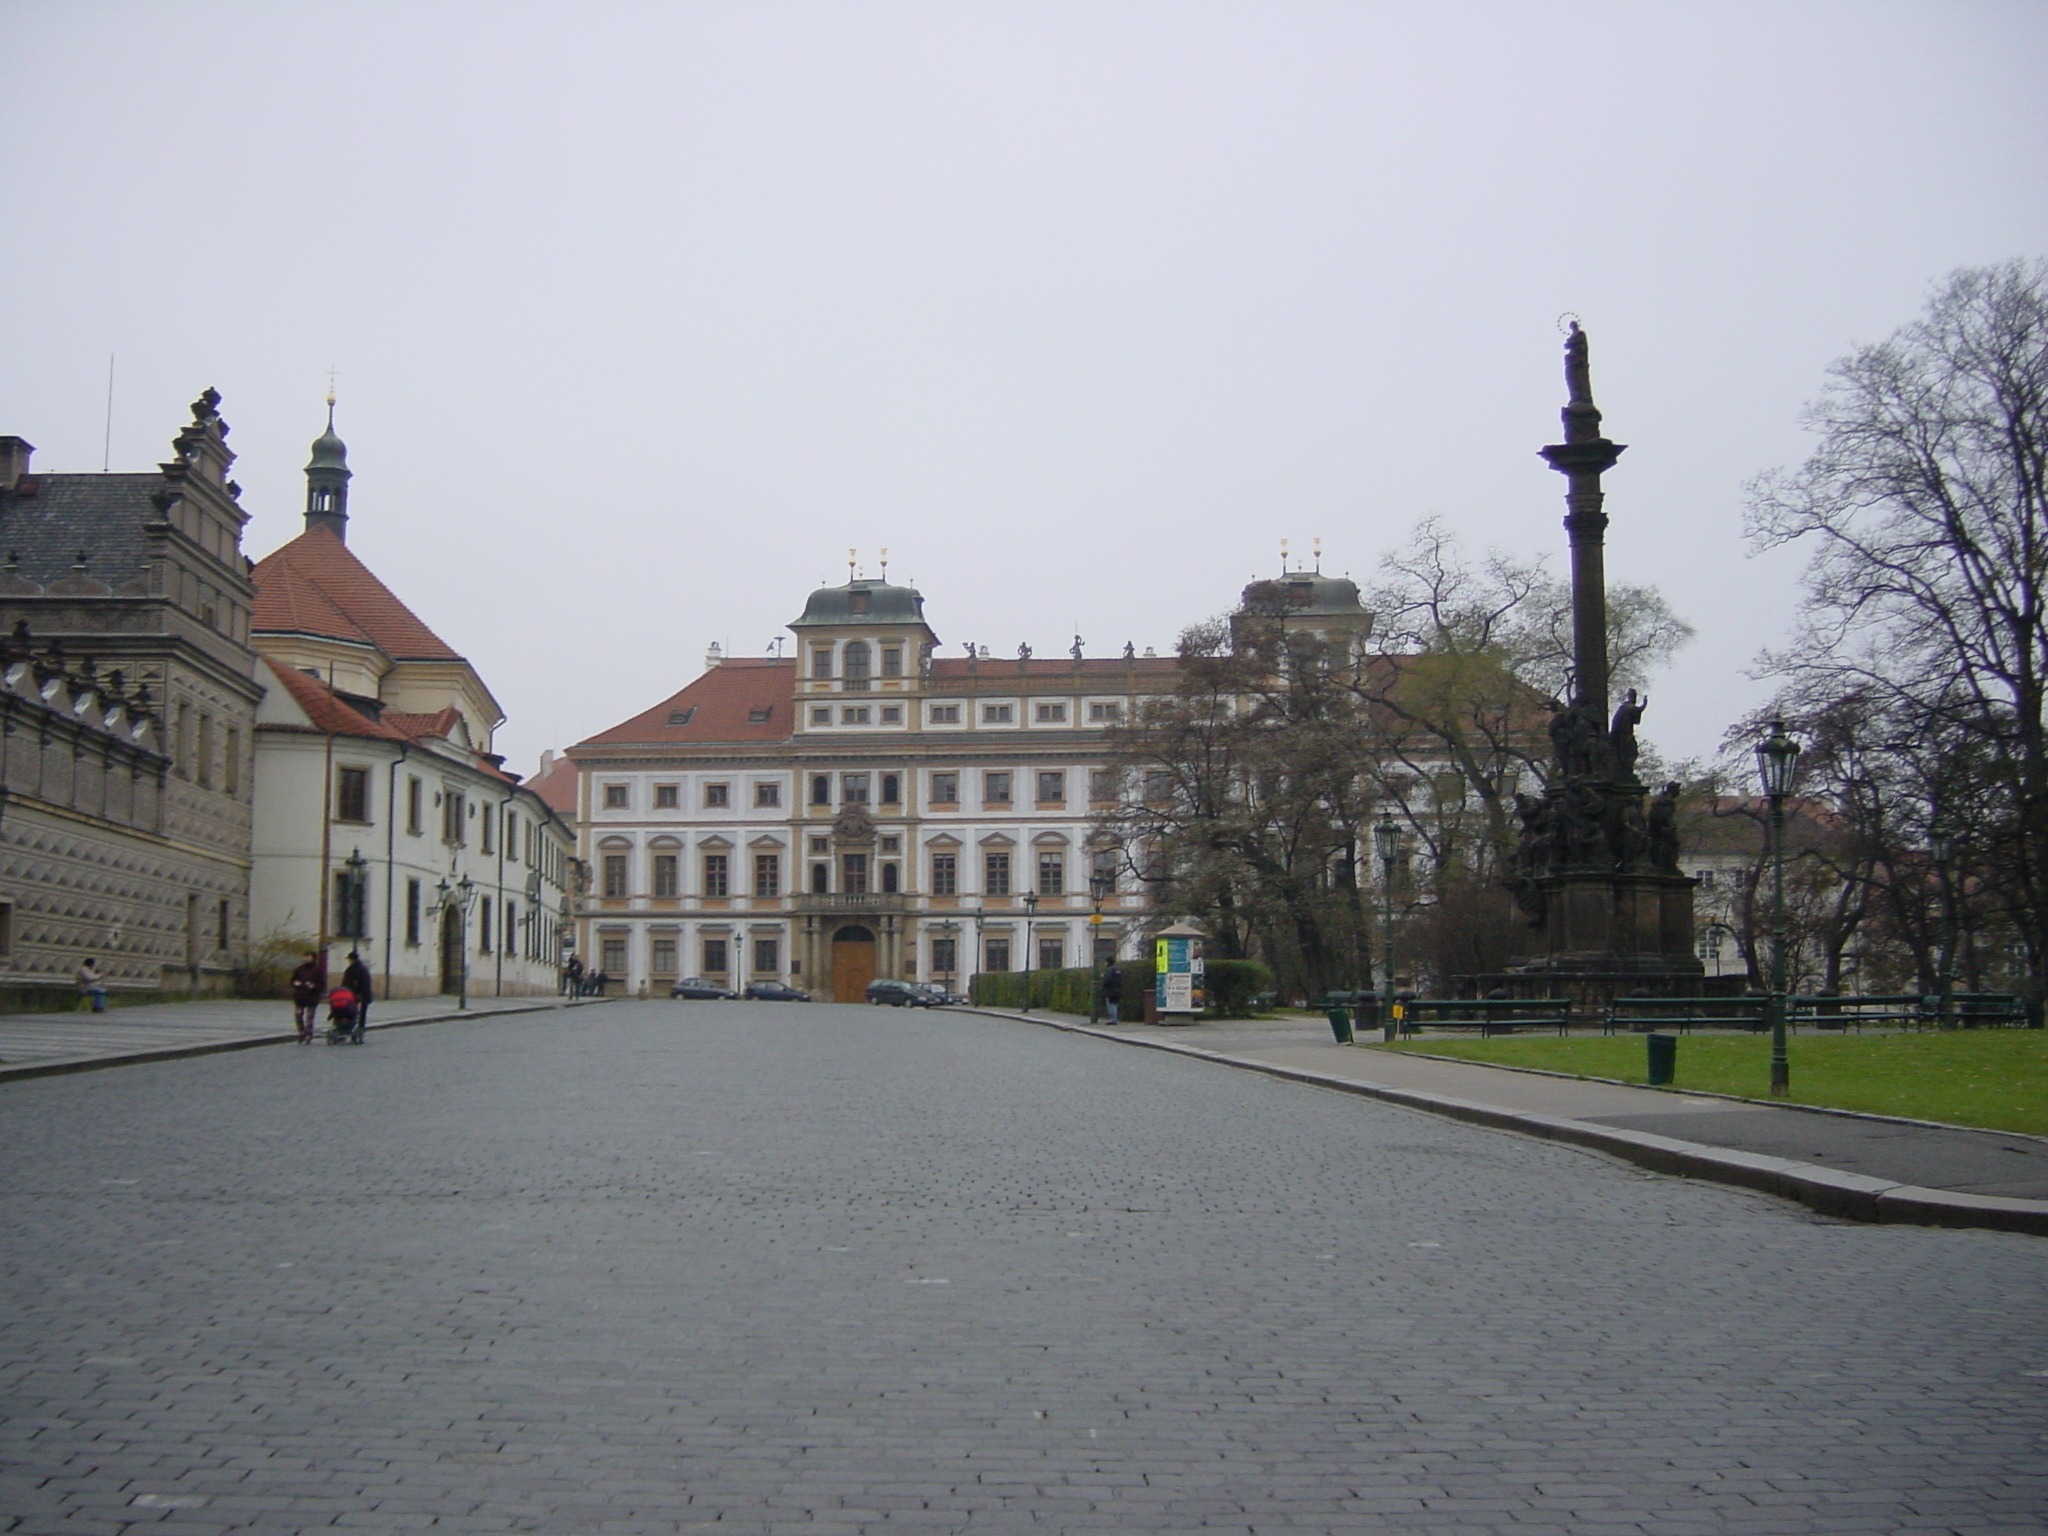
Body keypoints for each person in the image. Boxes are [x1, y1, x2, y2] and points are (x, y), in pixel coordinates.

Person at [289, 951, 326, 1044]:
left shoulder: (318, 970)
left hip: (312, 997)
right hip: (300, 997)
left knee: (310, 1017)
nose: (306, 958)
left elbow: (322, 984)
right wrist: (295, 983)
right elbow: (293, 980)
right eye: (305, 956)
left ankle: (309, 1034)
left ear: (313, 958)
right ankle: (301, 1032)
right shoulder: (299, 969)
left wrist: (314, 986)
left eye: (308, 957)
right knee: (298, 1015)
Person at [341, 950, 374, 1034]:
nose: (349, 961)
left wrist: (360, 994)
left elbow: (365, 983)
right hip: (352, 994)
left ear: (353, 959)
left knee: (361, 1012)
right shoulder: (354, 969)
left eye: (350, 959)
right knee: (351, 1010)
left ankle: (360, 1028)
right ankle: (350, 1027)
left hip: (361, 994)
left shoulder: (360, 969)